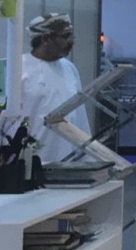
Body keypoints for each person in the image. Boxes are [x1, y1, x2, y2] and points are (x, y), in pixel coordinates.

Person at [16, 13, 91, 163]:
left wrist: (88, 158)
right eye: (65, 36)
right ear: (45, 39)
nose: (71, 41)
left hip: (67, 160)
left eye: (72, 35)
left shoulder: (70, 69)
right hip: (26, 163)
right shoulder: (17, 69)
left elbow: (80, 117)